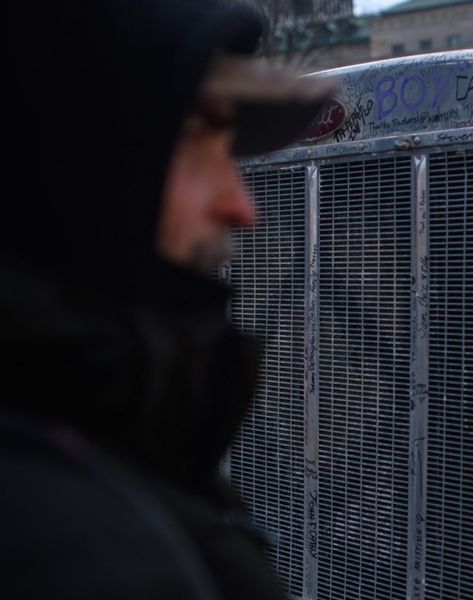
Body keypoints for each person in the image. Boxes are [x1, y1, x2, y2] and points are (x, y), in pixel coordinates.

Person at [0, 1, 335, 598]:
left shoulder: (105, 448)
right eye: (193, 140)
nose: (242, 206)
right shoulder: (85, 558)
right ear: (61, 162)